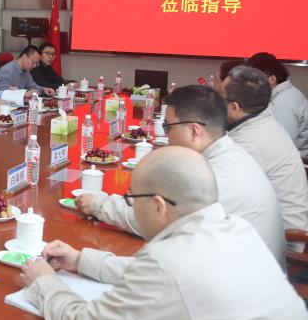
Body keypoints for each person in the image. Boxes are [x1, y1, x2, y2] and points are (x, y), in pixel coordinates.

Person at [21, 147, 308, 320]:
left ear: (158, 206)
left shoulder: (169, 262)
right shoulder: (235, 228)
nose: (130, 207)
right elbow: (159, 276)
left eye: (131, 199)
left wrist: (44, 283)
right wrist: (82, 260)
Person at [77, 85, 286, 267]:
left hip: (233, 282)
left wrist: (98, 204)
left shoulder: (216, 176)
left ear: (194, 131)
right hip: (240, 267)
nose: (166, 136)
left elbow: (153, 222)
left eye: (168, 127)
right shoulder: (232, 154)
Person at [220, 65, 308, 243]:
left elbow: (220, 195)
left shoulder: (249, 142)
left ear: (235, 107)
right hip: (271, 224)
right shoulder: (262, 121)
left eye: (219, 97)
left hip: (282, 240)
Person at [246, 52, 308, 157]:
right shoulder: (285, 94)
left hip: (297, 160)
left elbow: (280, 146)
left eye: (253, 80)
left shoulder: (283, 104)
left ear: (272, 79)